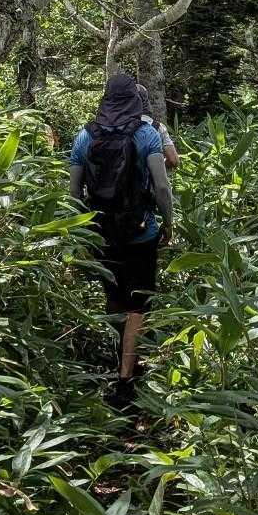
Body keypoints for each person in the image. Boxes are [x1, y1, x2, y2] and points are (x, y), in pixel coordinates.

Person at [70, 73, 173, 406]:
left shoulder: (84, 136)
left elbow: (74, 194)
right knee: (138, 303)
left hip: (101, 232)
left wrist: (81, 232)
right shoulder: (147, 135)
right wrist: (169, 222)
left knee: (115, 297)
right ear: (134, 100)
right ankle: (126, 377)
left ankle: (121, 358)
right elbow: (161, 188)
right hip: (141, 232)